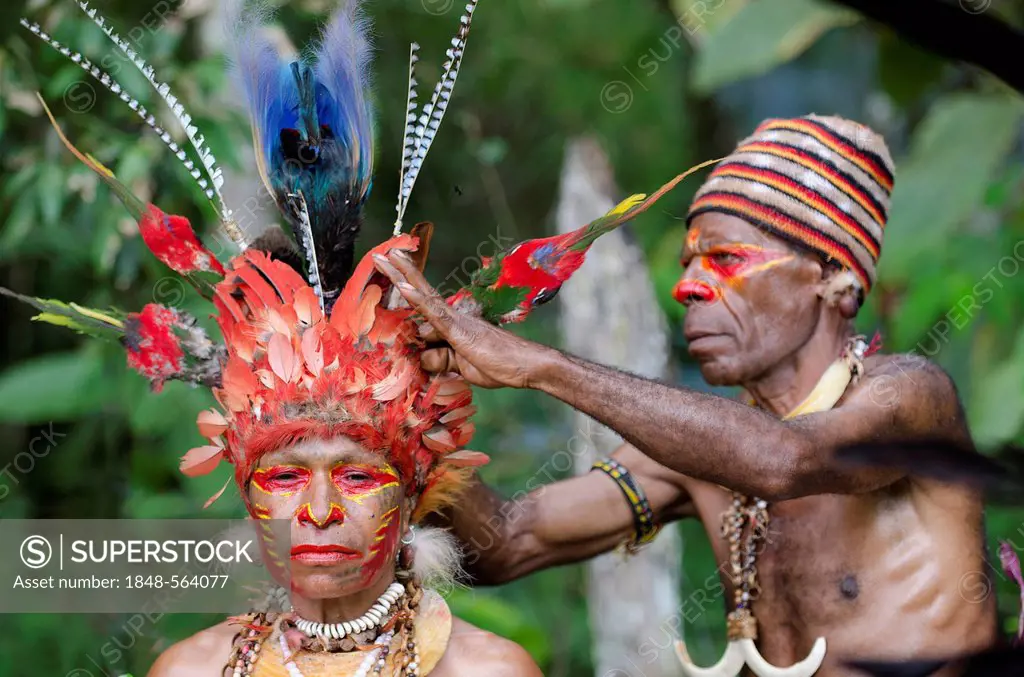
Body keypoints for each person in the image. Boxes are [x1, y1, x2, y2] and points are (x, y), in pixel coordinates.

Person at [13, 1, 542, 674]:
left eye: (355, 474)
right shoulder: (189, 668)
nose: (318, 511)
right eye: (287, 475)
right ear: (244, 485)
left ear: (413, 490)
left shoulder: (489, 669)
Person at [373, 115, 1000, 676]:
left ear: (834, 280)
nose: (688, 289)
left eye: (725, 259)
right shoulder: (694, 451)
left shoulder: (913, 400)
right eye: (689, 262)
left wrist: (538, 366)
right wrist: (409, 405)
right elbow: (503, 545)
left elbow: (786, 460)